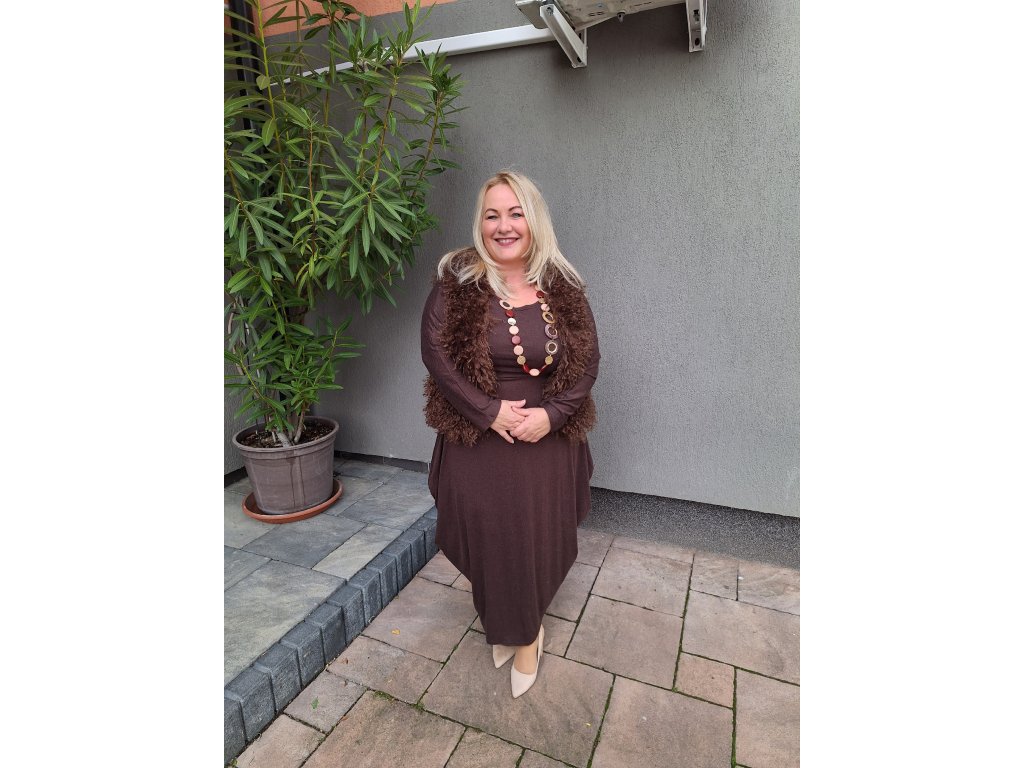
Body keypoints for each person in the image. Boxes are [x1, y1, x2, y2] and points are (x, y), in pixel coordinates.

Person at [421, 170, 599, 698]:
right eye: (492, 215)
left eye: (515, 213)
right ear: (480, 224)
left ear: (533, 219)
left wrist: (554, 415)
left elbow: (588, 360)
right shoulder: (456, 284)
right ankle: (507, 620)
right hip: (479, 434)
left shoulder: (562, 285)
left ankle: (525, 634)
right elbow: (436, 355)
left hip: (547, 435)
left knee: (532, 538)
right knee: (487, 536)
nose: (504, 226)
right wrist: (487, 411)